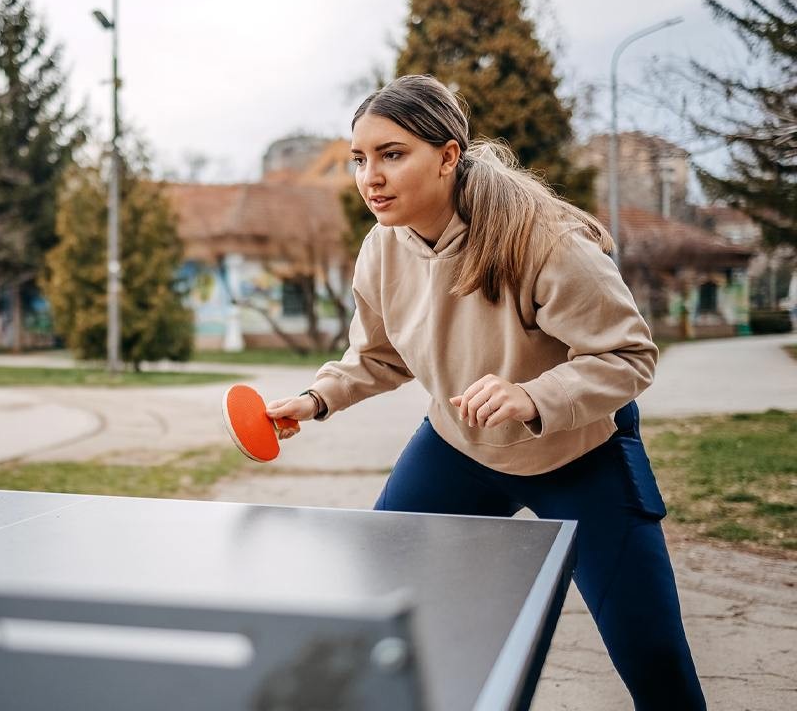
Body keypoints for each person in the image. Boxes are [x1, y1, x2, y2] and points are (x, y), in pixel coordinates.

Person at [264, 74, 706, 710]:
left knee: (655, 659)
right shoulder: (380, 250)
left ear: (447, 156)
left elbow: (629, 355)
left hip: (579, 459)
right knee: (379, 605)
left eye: (392, 154)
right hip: (457, 451)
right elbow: (379, 354)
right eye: (360, 159)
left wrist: (533, 398)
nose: (370, 177)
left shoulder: (543, 237)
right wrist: (316, 399)